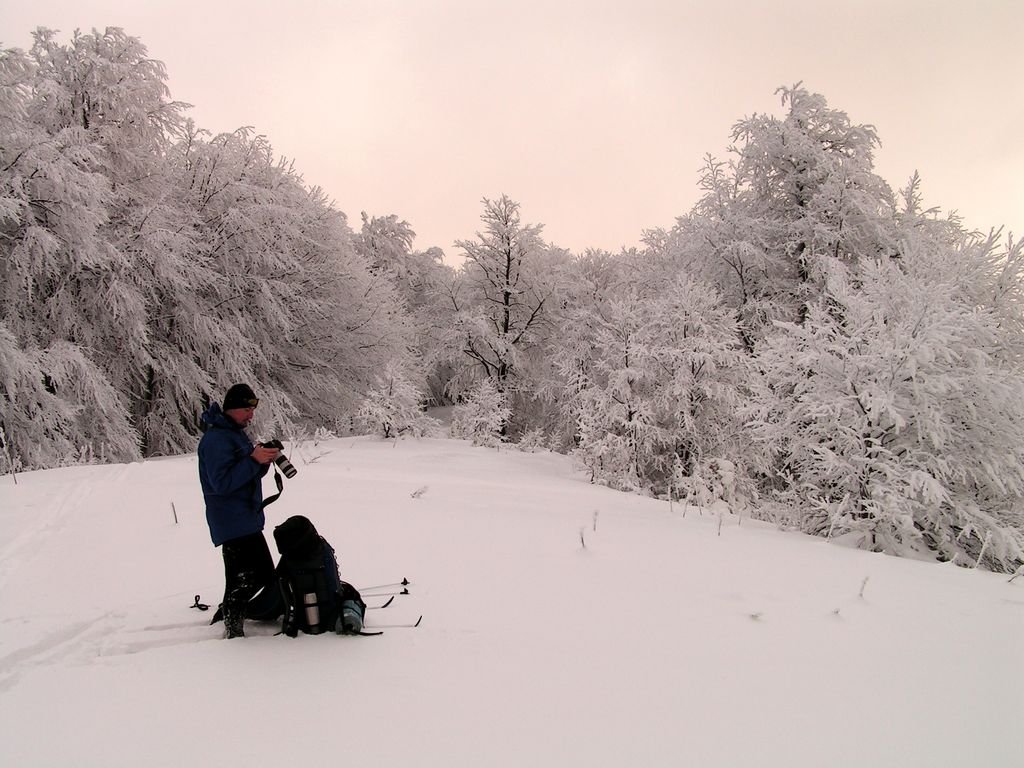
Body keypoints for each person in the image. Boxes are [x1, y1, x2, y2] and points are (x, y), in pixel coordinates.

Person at [198, 383, 280, 638]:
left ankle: (229, 615)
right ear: (231, 409)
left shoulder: (234, 434)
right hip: (232, 520)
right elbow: (221, 484)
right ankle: (233, 631)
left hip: (245, 518)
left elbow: (244, 473)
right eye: (246, 409)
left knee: (257, 575)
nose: (250, 415)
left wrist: (263, 460)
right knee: (246, 579)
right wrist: (253, 460)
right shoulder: (216, 440)